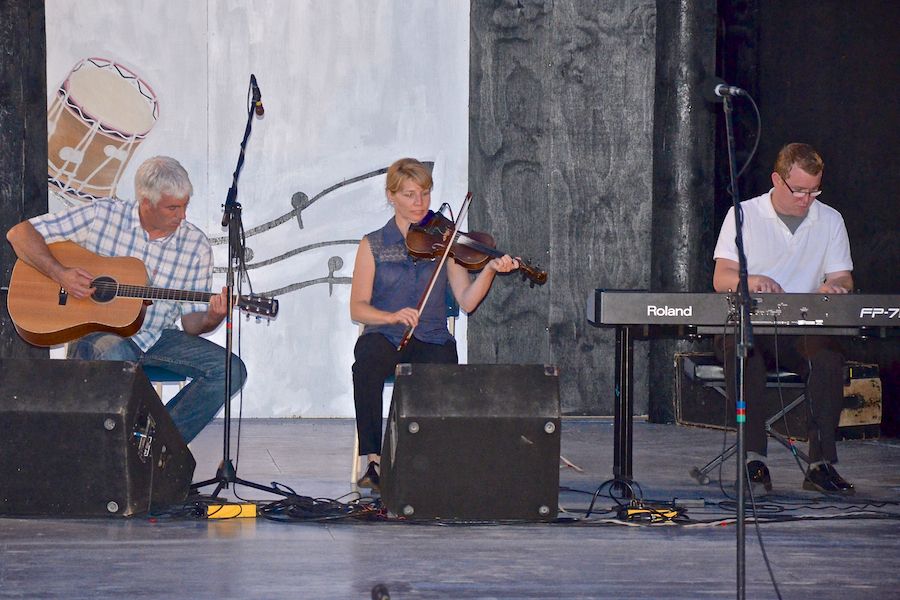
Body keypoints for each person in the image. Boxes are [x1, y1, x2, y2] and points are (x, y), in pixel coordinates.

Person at [6, 156, 246, 444]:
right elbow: (19, 234)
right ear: (146, 202)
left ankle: (158, 445)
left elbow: (191, 324)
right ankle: (109, 452)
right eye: (172, 207)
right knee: (116, 358)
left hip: (158, 338)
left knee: (229, 370)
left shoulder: (196, 246)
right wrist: (61, 274)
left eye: (185, 205)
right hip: (99, 334)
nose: (182, 215)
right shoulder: (103, 216)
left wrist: (212, 317)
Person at [349, 158, 520, 490]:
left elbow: (467, 300)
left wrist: (488, 271)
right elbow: (358, 308)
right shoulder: (372, 244)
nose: (419, 203)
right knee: (366, 365)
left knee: (444, 366)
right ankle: (373, 461)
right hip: (385, 335)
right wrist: (392, 316)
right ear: (391, 195)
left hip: (430, 337)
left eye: (425, 194)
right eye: (410, 195)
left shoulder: (446, 241)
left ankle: (427, 462)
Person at [713, 142, 854, 495]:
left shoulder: (830, 219)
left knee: (828, 359)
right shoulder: (743, 214)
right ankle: (753, 462)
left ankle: (820, 465)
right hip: (748, 324)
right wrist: (750, 281)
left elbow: (843, 277)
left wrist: (835, 286)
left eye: (814, 190)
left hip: (802, 327)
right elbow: (721, 278)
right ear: (777, 179)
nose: (806, 199)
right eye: (799, 190)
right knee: (745, 357)